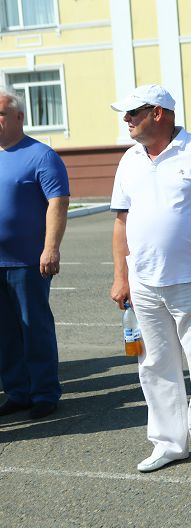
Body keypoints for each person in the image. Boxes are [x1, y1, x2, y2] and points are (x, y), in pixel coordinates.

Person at [109, 84, 191, 475]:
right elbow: (121, 222)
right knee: (153, 365)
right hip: (144, 284)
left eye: (134, 113)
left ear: (158, 113)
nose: (127, 119)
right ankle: (168, 443)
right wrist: (121, 277)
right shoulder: (130, 159)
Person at [0, 88, 69, 420]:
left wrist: (51, 247)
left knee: (34, 327)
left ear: (19, 117)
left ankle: (44, 392)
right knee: (5, 332)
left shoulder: (41, 155)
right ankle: (17, 391)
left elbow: (58, 202)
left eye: (0, 114)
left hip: (28, 261)